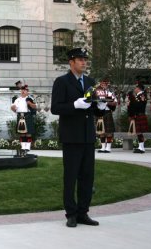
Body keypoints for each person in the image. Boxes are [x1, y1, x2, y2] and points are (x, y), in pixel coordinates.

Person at [51, 48, 106, 228]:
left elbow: (92, 108)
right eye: (80, 59)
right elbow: (55, 108)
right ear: (71, 62)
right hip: (72, 137)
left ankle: (83, 212)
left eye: (85, 59)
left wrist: (102, 107)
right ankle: (71, 214)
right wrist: (74, 105)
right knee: (71, 176)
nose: (84, 62)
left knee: (87, 176)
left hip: (87, 136)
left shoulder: (90, 82)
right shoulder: (62, 82)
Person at [11, 85, 37, 155]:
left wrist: (30, 103)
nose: (23, 91)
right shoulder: (17, 99)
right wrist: (13, 108)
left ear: (27, 92)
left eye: (24, 90)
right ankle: (23, 147)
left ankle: (27, 147)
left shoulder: (30, 98)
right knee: (22, 133)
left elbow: (35, 106)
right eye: (22, 90)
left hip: (28, 116)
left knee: (28, 133)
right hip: (20, 116)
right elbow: (13, 109)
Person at [95, 78, 117, 153]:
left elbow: (115, 103)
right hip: (99, 112)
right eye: (101, 84)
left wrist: (107, 102)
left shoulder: (109, 93)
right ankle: (103, 147)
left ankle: (108, 148)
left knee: (108, 131)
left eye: (104, 84)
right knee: (101, 131)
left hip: (107, 112)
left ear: (107, 85)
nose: (103, 85)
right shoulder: (96, 92)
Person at [128, 83, 148, 153]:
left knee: (139, 132)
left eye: (136, 88)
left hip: (140, 115)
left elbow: (140, 105)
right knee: (138, 132)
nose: (135, 89)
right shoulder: (138, 96)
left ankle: (141, 148)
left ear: (138, 88)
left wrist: (131, 103)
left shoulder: (142, 95)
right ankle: (141, 147)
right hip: (137, 115)